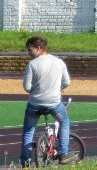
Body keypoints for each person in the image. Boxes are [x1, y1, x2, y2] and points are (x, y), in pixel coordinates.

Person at [20, 35, 76, 164]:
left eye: (30, 50)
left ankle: (25, 163)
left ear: (39, 48)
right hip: (53, 103)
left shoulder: (32, 64)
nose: (29, 53)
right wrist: (57, 89)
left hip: (35, 103)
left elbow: (27, 87)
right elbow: (67, 82)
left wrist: (36, 90)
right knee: (64, 122)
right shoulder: (59, 62)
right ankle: (63, 154)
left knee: (28, 132)